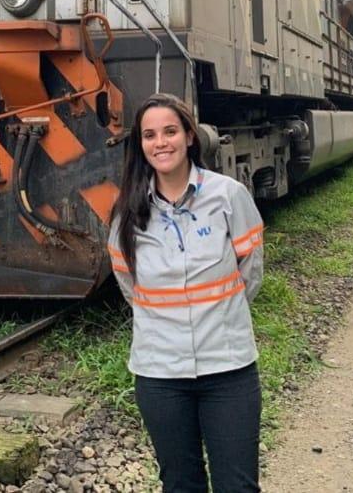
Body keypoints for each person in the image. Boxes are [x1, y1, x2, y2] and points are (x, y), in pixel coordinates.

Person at [108, 93, 264, 493]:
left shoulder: (228, 196)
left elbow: (250, 272)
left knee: (238, 486)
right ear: (140, 145)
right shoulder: (127, 211)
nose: (161, 142)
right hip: (160, 375)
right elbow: (128, 282)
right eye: (149, 135)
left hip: (228, 370)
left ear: (190, 136)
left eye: (170, 131)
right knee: (180, 485)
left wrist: (219, 313)